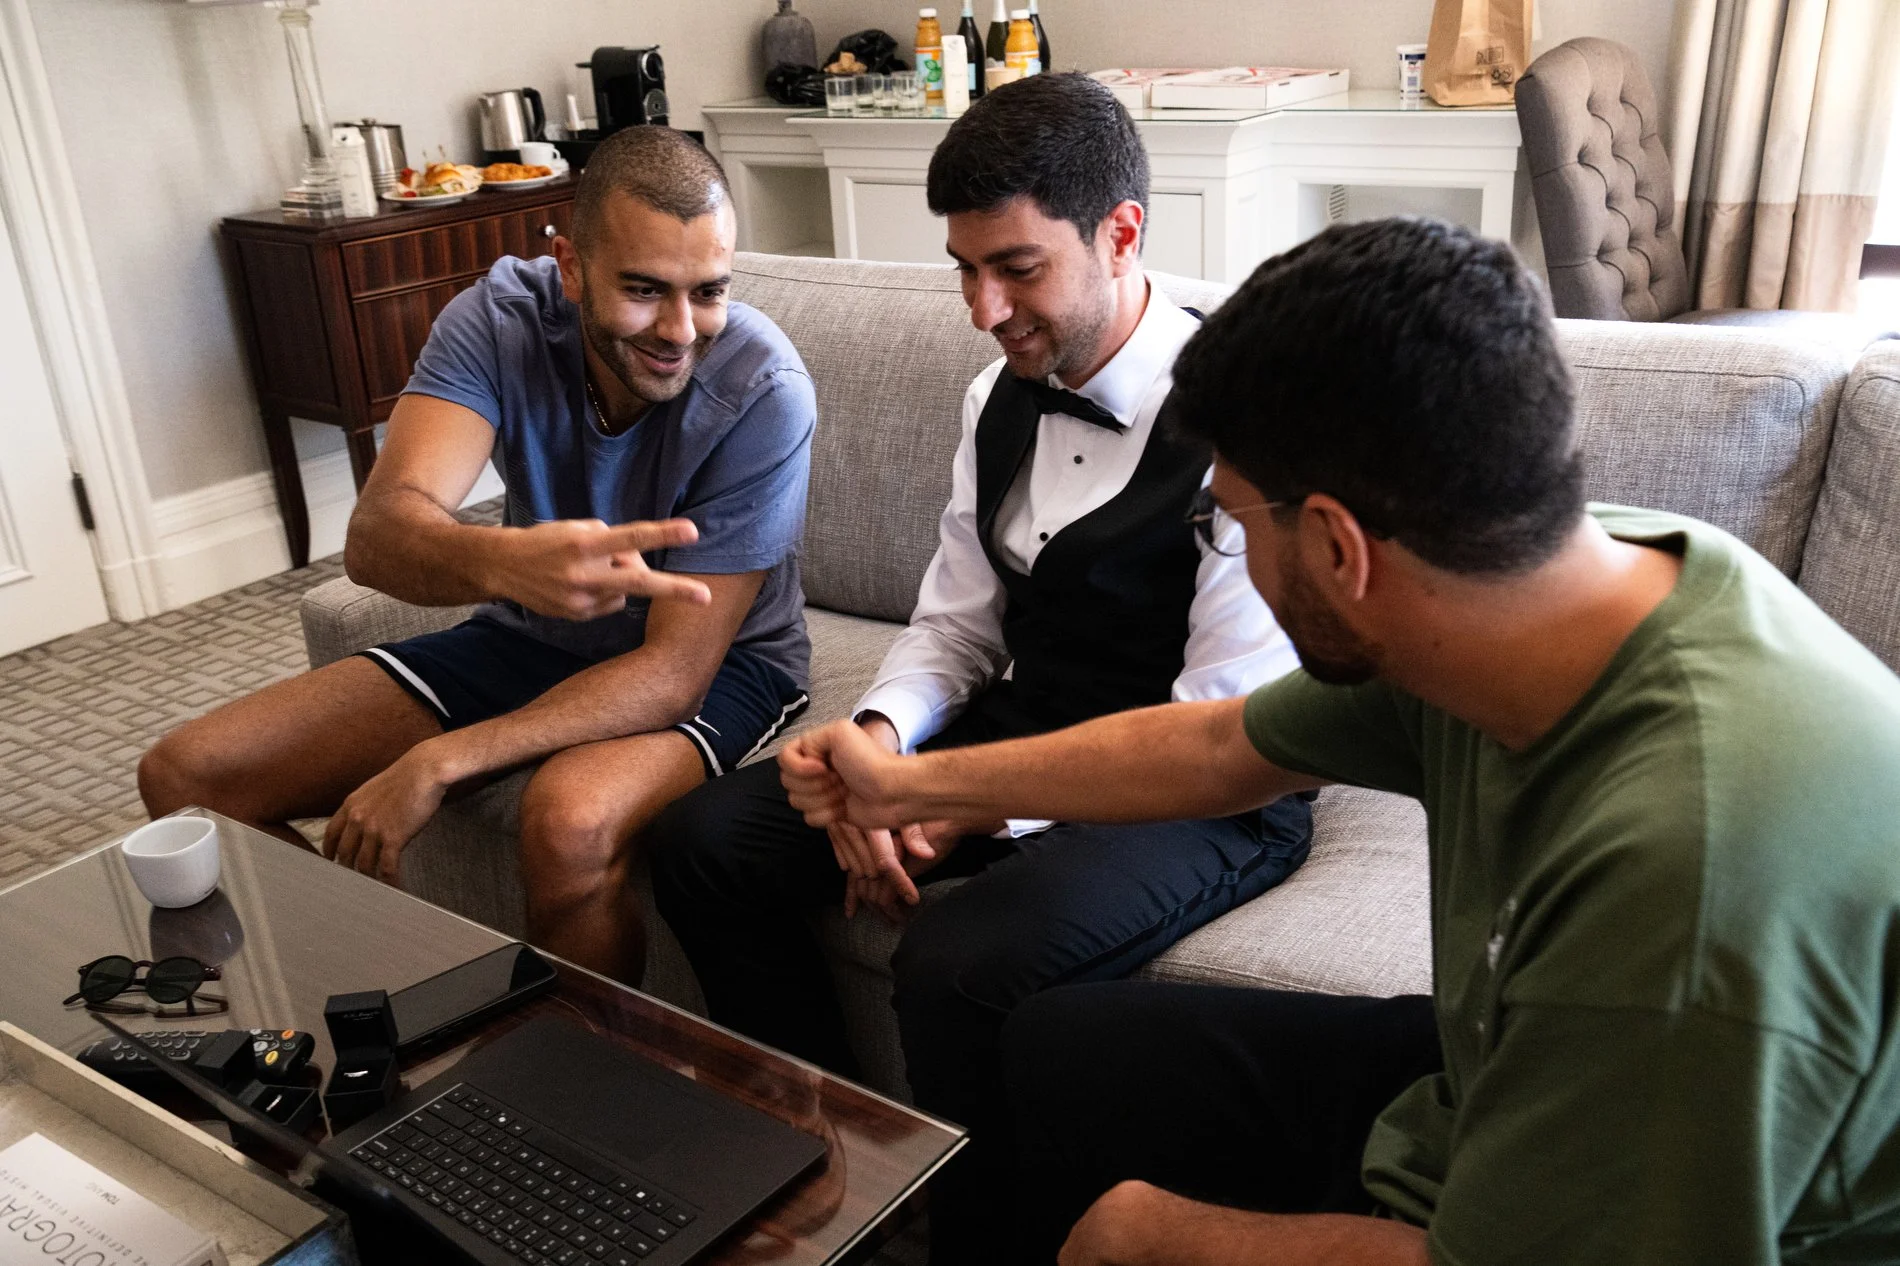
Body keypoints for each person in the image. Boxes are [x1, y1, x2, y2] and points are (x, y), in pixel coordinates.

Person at [780, 215, 1900, 1265]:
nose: (1219, 545)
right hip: (1486, 1065)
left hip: (1713, 1203)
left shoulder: (1680, 882)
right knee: (1062, 1049)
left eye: (1221, 515)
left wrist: (1148, 1237)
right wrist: (903, 783)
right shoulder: (1531, 579)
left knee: (1123, 1220)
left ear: (1333, 546)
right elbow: (1221, 749)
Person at [646, 73, 1311, 1264]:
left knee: (955, 963)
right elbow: (956, 627)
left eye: (1015, 267)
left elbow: (1215, 727)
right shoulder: (992, 396)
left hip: (1206, 790)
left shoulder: (1248, 410)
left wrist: (961, 812)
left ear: (1120, 233)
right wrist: (886, 745)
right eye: (962, 267)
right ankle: (837, 1172)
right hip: (1023, 727)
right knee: (704, 845)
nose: (980, 307)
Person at [139, 126, 816, 986]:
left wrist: (443, 757)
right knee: (188, 774)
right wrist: (505, 563)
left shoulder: (763, 388)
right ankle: (405, 998)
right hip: (529, 632)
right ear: (570, 268)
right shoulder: (499, 321)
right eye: (644, 290)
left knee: (566, 825)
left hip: (726, 662)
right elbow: (377, 539)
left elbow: (674, 673)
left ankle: (584, 1079)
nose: (682, 330)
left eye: (708, 291)